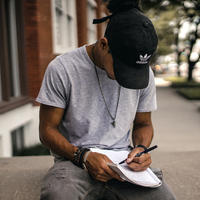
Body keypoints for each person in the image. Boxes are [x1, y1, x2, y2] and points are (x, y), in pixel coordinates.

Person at [36, 0, 176, 199]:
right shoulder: (63, 69)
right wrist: (83, 156)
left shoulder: (145, 75)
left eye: (136, 69)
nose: (129, 76)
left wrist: (141, 148)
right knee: (58, 195)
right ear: (103, 44)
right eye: (122, 68)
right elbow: (47, 131)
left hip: (124, 166)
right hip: (74, 161)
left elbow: (144, 124)